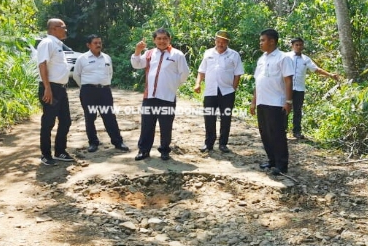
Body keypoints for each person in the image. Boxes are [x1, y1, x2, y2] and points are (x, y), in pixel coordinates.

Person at [131, 28, 190, 161]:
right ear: (154, 40)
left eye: (165, 38)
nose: (162, 41)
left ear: (169, 40)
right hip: (150, 96)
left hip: (167, 97)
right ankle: (144, 150)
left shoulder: (177, 55)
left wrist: (173, 85)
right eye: (159, 38)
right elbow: (136, 64)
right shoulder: (149, 53)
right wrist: (138, 51)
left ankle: (164, 150)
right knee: (147, 125)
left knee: (166, 125)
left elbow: (184, 74)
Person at [72, 34, 129, 153]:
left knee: (109, 117)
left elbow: (110, 73)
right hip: (88, 91)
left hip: (105, 91)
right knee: (90, 117)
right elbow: (76, 75)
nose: (98, 45)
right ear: (88, 45)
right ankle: (93, 142)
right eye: (95, 43)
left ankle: (118, 142)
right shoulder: (82, 59)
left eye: (100, 43)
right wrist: (86, 87)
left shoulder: (107, 58)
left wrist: (104, 84)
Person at [249, 28, 294, 175]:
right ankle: (272, 160)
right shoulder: (262, 59)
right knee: (265, 133)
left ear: (272, 41)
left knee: (277, 134)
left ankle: (282, 165)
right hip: (262, 101)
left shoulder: (283, 58)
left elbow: (288, 80)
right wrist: (253, 101)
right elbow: (258, 81)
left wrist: (288, 101)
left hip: (276, 102)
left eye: (263, 40)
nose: (260, 43)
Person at [194, 30, 244, 153]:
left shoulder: (234, 55)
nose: (220, 44)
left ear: (227, 43)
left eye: (223, 42)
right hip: (210, 91)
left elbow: (238, 74)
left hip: (227, 92)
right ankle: (209, 143)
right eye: (218, 41)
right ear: (215, 40)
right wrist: (198, 83)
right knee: (209, 117)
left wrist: (233, 88)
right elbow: (202, 70)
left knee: (225, 118)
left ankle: (223, 144)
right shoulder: (208, 53)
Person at [36, 18, 74, 165]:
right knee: (48, 122)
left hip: (60, 89)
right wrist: (47, 88)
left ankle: (60, 151)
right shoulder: (47, 43)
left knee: (66, 121)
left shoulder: (57, 45)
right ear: (54, 28)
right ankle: (46, 155)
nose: (65, 30)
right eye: (63, 27)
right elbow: (42, 64)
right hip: (51, 88)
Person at [286, 37, 340, 139]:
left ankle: (296, 132)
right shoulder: (286, 57)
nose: (298, 47)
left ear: (303, 46)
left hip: (299, 89)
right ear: (292, 46)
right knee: (285, 109)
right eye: (296, 45)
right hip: (286, 88)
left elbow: (316, 69)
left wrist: (330, 75)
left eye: (300, 45)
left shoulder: (306, 59)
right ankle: (282, 131)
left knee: (297, 110)